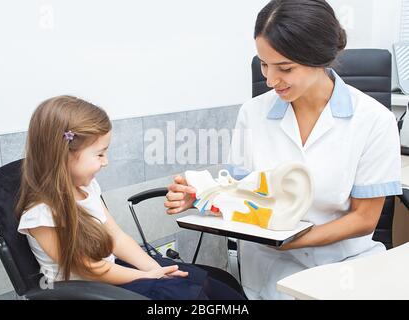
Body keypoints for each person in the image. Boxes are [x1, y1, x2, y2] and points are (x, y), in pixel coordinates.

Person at [165, 0, 402, 299]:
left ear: (320, 58)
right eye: (264, 64)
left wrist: (294, 239)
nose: (269, 80)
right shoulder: (252, 113)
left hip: (343, 265)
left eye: (285, 68)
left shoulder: (373, 120)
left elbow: (364, 219)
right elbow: (240, 194)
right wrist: (202, 198)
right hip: (269, 268)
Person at [16, 95, 245, 300]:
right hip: (88, 290)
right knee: (189, 295)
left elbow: (116, 236)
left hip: (111, 271)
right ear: (63, 155)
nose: (105, 162)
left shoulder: (88, 188)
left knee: (213, 284)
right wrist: (147, 276)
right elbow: (90, 269)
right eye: (99, 154)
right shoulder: (41, 215)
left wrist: (155, 269)